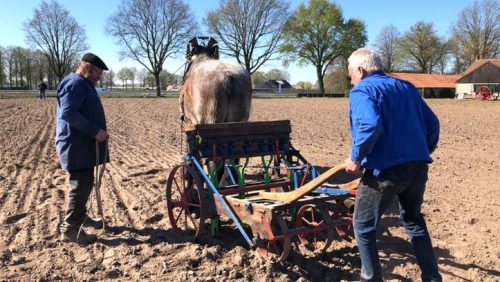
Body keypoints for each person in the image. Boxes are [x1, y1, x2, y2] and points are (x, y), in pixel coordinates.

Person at [345, 48, 442, 282]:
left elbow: (369, 125)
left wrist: (356, 158)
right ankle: (432, 278)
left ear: (361, 70)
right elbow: (433, 124)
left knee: (363, 226)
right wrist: (419, 151)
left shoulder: (362, 90)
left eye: (350, 75)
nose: (351, 81)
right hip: (418, 168)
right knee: (413, 220)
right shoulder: (406, 87)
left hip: (385, 172)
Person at [55, 52, 110, 245]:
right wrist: (95, 131)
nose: (99, 76)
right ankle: (70, 229)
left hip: (81, 145)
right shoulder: (75, 84)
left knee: (84, 185)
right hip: (75, 145)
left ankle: (81, 218)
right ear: (86, 67)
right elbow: (68, 113)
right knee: (80, 186)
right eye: (97, 72)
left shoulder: (82, 84)